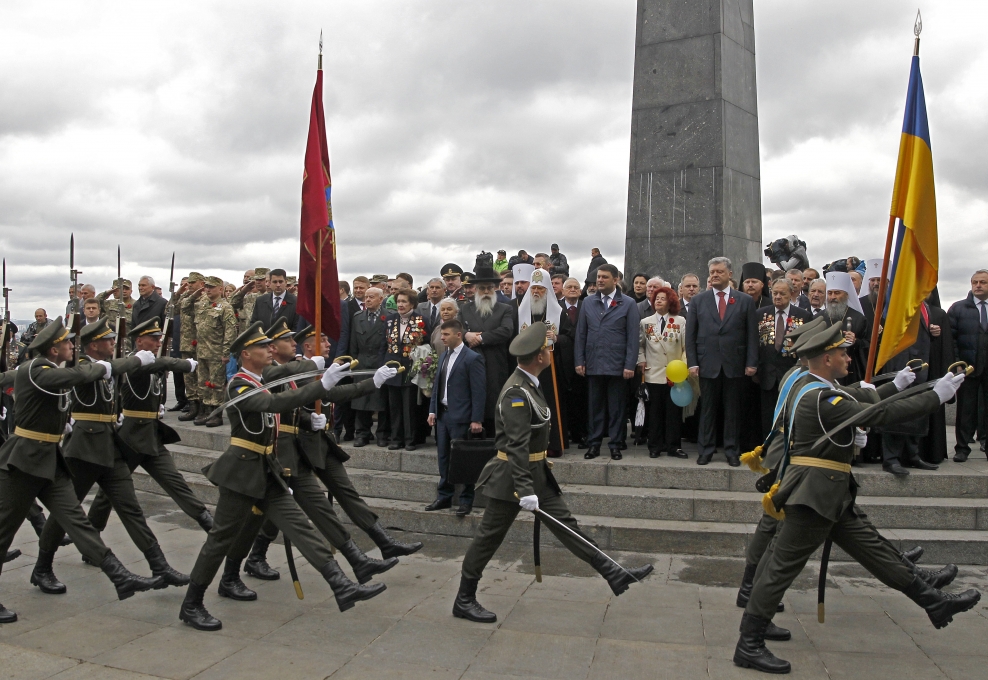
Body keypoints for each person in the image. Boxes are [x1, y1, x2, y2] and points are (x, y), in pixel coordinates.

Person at [732, 323, 980, 674]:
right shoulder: (821, 396)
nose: (848, 358)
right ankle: (749, 643)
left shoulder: (816, 387)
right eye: (842, 353)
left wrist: (897, 385)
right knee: (778, 568)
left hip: (828, 493)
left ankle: (933, 601)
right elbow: (877, 413)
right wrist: (935, 396)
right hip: (814, 496)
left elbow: (856, 400)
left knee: (873, 550)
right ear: (826, 358)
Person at [177, 322, 392, 631]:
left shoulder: (263, 380)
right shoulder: (239, 385)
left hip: (267, 469)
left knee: (301, 527)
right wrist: (321, 383)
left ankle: (341, 584)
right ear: (246, 354)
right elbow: (273, 403)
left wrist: (324, 389)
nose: (269, 350)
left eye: (270, 345)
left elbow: (286, 390)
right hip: (241, 473)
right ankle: (192, 603)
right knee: (220, 539)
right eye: (262, 347)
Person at [452, 322, 653, 623]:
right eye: (547, 349)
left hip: (536, 474)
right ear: (539, 357)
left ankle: (612, 571)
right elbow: (516, 446)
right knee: (488, 538)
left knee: (566, 524)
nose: (550, 352)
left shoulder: (530, 383)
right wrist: (525, 490)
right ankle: (464, 598)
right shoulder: (516, 393)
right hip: (512, 479)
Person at [221, 319, 401, 598]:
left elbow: (306, 401)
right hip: (270, 454)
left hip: (292, 450)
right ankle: (232, 573)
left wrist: (370, 383)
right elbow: (278, 400)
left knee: (315, 508)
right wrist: (308, 367)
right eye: (285, 341)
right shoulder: (268, 373)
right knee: (251, 519)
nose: (291, 344)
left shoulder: (287, 371)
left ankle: (356, 561)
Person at [0, 319, 165, 624]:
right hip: (24, 460)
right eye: (67, 342)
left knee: (77, 521)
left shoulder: (45, 370)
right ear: (54, 349)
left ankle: (119, 575)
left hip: (49, 458)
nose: (72, 346)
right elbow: (81, 374)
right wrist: (133, 361)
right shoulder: (38, 370)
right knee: (4, 531)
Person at [34, 318, 191, 591]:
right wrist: (136, 360)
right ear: (94, 345)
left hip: (109, 445)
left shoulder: (106, 367)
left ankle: (160, 566)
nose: (113, 343)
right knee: (66, 512)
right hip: (83, 449)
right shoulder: (84, 366)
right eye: (108, 340)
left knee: (131, 508)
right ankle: (42, 567)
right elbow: (101, 373)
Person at [85, 318, 213, 540]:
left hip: (150, 434)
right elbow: (162, 364)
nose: (158, 343)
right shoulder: (135, 363)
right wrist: (186, 364)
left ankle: (208, 522)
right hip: (131, 437)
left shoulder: (149, 363)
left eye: (159, 339)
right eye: (153, 339)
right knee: (111, 490)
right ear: (139, 341)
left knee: (175, 482)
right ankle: (91, 532)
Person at [685, 257, 758, 466]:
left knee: (732, 411)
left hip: (735, 364)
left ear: (730, 274)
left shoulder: (744, 300)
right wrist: (693, 362)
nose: (715, 275)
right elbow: (691, 335)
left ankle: (732, 450)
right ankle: (705, 450)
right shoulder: (699, 301)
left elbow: (752, 335)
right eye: (712, 272)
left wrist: (751, 362)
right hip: (707, 363)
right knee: (707, 410)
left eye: (719, 271)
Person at [575, 264, 640, 460]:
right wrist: (579, 360)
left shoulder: (628, 303)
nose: (600, 280)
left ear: (615, 279)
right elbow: (581, 334)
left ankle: (616, 444)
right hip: (594, 363)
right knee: (595, 407)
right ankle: (594, 444)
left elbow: (633, 337)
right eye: (598, 277)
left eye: (604, 277)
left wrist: (629, 364)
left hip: (617, 365)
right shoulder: (588, 302)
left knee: (617, 408)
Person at [426, 319, 486, 516]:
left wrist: (476, 419)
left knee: (463, 459)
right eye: (441, 334)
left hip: (461, 417)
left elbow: (479, 391)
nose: (442, 338)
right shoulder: (444, 356)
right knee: (443, 457)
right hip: (443, 415)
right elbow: (438, 385)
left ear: (458, 335)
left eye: (446, 335)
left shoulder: (472, 358)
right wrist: (432, 410)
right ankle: (444, 496)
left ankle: (466, 500)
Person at [877, 303, 938, 476]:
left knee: (916, 410)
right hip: (901, 361)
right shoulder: (902, 299)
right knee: (896, 410)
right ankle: (891, 459)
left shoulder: (925, 306)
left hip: (920, 364)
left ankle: (912, 455)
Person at [516, 268, 571, 456]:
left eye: (540, 288)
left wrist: (556, 338)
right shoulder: (520, 312)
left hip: (550, 366)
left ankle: (553, 444)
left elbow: (569, 337)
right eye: (533, 288)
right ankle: (530, 444)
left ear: (547, 290)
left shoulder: (559, 313)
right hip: (527, 365)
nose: (536, 292)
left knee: (550, 402)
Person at [459, 260, 514, 435]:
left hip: (495, 363)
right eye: (482, 288)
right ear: (476, 289)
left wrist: (481, 338)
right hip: (470, 362)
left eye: (489, 288)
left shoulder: (505, 309)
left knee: (493, 402)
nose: (486, 292)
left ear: (495, 289)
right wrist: (466, 335)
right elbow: (457, 329)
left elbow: (506, 330)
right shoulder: (465, 309)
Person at [755, 279, 812, 438]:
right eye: (775, 293)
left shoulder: (803, 315)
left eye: (782, 293)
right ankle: (768, 445)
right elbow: (753, 343)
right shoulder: (760, 314)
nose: (778, 296)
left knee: (789, 415)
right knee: (767, 415)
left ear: (791, 293)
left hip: (791, 375)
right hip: (766, 374)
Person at [638, 286, 687, 458]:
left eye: (663, 298)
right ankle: (655, 446)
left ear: (670, 301)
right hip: (654, 373)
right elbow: (640, 346)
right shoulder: (646, 322)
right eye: (656, 298)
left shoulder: (680, 321)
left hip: (674, 374)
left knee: (673, 413)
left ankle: (674, 446)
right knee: (655, 412)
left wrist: (683, 366)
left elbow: (685, 347)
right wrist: (641, 360)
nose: (658, 301)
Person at [947, 269, 988, 462]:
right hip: (967, 368)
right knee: (966, 410)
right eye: (975, 282)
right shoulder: (958, 308)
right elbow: (951, 339)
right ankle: (962, 448)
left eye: (983, 282)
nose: (978, 285)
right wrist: (957, 363)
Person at [384, 290, 427, 450]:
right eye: (399, 301)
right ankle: (396, 438)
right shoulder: (390, 320)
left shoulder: (421, 319)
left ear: (412, 304)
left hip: (411, 369)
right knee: (394, 407)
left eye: (404, 301)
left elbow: (426, 344)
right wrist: (383, 366)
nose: (400, 305)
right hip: (392, 368)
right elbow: (384, 344)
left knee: (409, 407)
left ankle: (410, 439)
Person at [349, 286, 391, 447]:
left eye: (371, 297)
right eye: (366, 297)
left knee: (382, 401)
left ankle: (382, 434)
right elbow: (353, 342)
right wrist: (353, 363)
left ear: (381, 299)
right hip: (362, 362)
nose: (367, 300)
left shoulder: (389, 316)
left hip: (380, 362)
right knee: (361, 399)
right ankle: (362, 433)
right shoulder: (358, 317)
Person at [193, 276, 237, 427]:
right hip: (202, 351)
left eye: (211, 287)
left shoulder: (225, 307)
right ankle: (205, 411)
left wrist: (226, 352)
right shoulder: (202, 305)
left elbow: (230, 331)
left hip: (216, 352)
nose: (208, 290)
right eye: (206, 287)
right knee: (202, 383)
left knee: (216, 384)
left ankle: (216, 414)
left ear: (220, 289)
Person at [823, 271, 870, 385]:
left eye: (837, 293)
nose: (833, 297)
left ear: (846, 295)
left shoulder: (859, 319)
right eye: (830, 293)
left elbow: (868, 346)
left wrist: (856, 341)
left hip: (850, 373)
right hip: (824, 372)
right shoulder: (818, 318)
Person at [560, 277, 587, 448]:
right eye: (569, 287)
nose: (572, 289)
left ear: (580, 291)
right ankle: (565, 433)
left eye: (576, 287)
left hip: (583, 359)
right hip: (561, 360)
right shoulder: (555, 307)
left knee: (581, 399)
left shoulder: (586, 306)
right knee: (564, 398)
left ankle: (581, 434)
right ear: (563, 291)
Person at [177, 272, 207, 422]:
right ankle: (192, 405)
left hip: (201, 343)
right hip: (186, 343)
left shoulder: (205, 299)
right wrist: (178, 292)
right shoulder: (184, 298)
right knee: (188, 377)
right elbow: (170, 309)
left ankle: (202, 407)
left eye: (192, 282)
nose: (189, 285)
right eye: (188, 282)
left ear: (201, 284)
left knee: (201, 377)